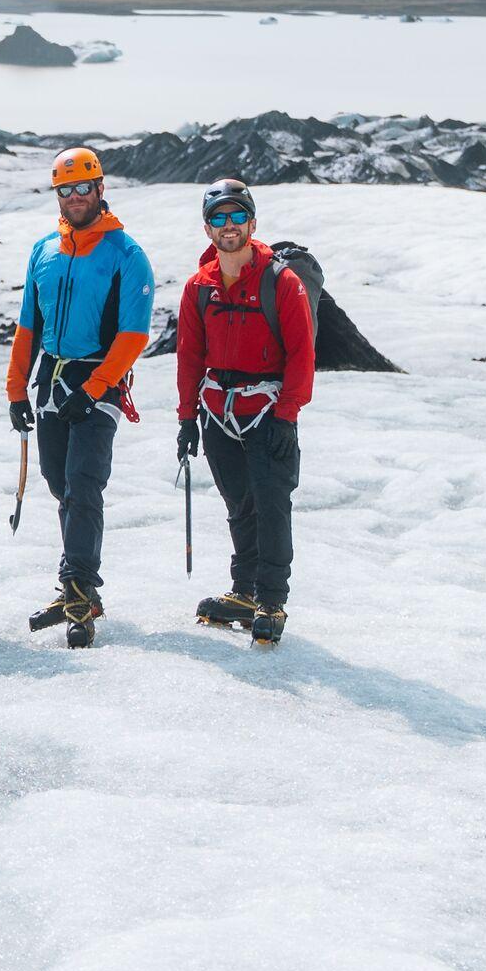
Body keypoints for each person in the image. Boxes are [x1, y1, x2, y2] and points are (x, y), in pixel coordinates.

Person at [7, 146, 154, 648]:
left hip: (101, 380)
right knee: (58, 481)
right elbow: (29, 325)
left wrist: (93, 390)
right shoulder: (44, 249)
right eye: (64, 190)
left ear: (99, 188)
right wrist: (15, 389)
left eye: (82, 188)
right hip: (51, 379)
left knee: (83, 481)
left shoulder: (126, 254)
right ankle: (75, 581)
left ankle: (80, 588)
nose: (73, 198)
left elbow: (134, 334)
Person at [175, 179, 314, 645]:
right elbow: (190, 357)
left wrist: (288, 415)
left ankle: (271, 599)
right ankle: (244, 591)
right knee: (240, 503)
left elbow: (301, 354)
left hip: (269, 411)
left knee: (272, 504)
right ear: (207, 228)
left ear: (252, 223)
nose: (228, 225)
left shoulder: (282, 282)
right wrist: (186, 417)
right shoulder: (199, 288)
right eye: (219, 217)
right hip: (218, 411)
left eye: (237, 216)